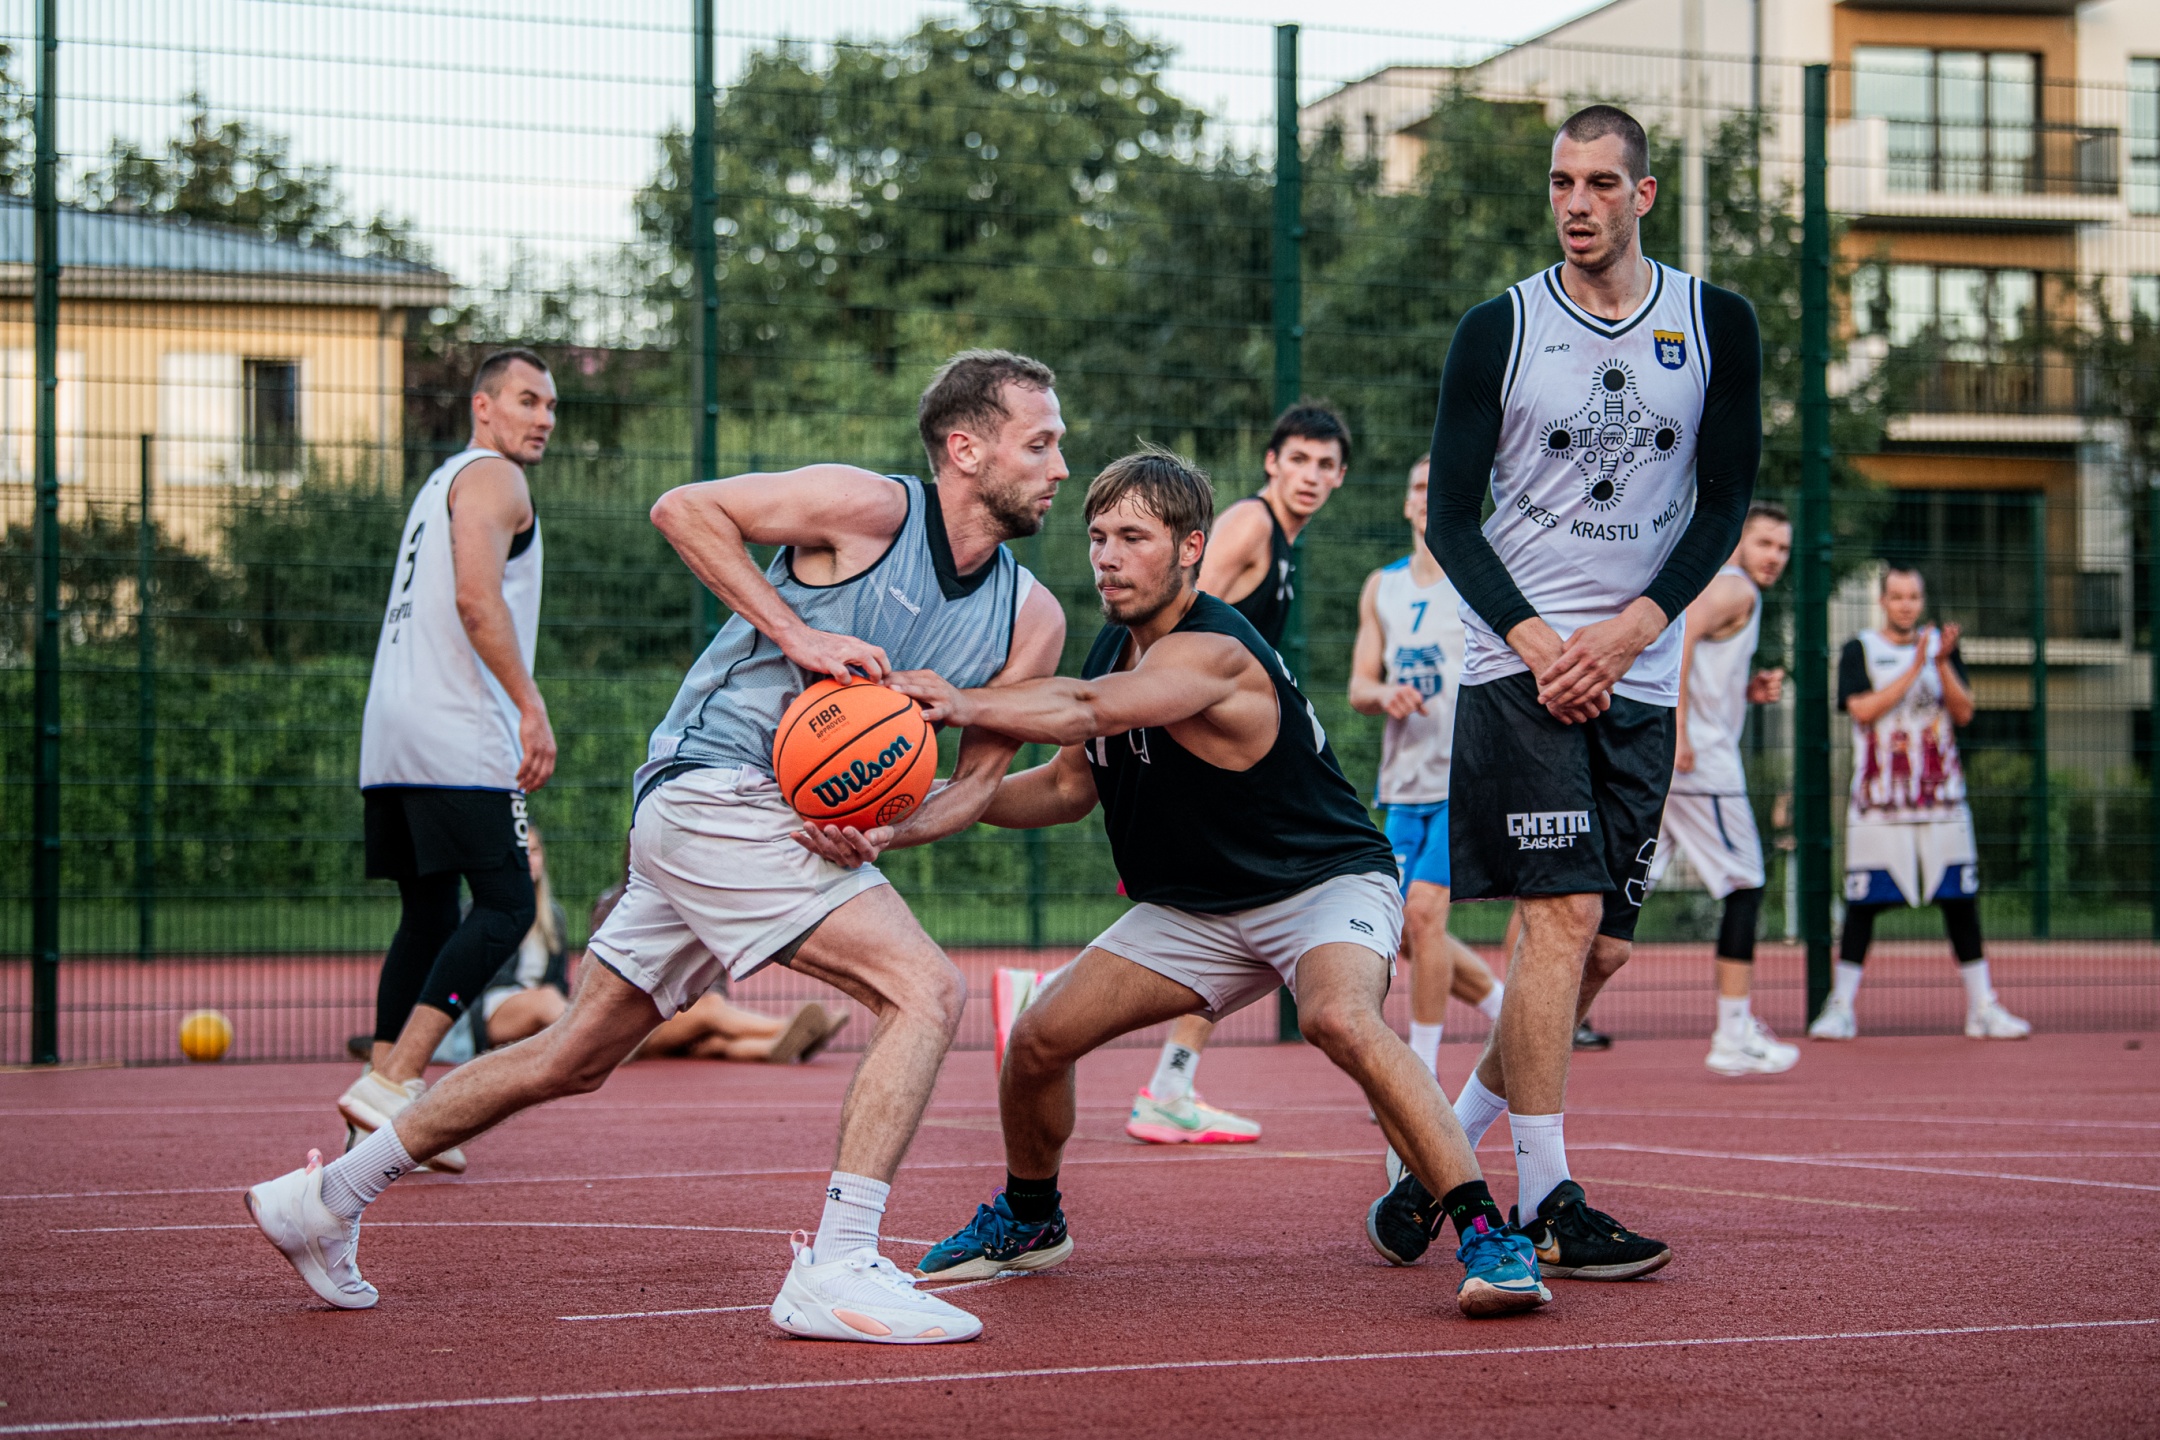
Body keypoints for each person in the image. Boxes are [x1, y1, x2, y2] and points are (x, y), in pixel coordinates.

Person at [246, 349, 1070, 1346]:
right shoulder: (868, 509)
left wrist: (887, 829)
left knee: (573, 1054)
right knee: (924, 990)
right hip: (713, 786)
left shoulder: (1032, 618)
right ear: (966, 448)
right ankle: (839, 1264)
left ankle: (326, 1198)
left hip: (761, 823)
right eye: (1040, 444)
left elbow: (975, 786)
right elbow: (684, 509)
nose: (1060, 467)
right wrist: (798, 636)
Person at [897, 449, 1550, 1320]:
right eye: (1097, 537)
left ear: (1191, 547)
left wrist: (958, 701)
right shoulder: (1115, 645)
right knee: (1040, 1038)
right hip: (1199, 909)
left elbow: (1086, 708)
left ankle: (1488, 1235)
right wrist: (912, 804)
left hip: (1322, 884)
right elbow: (1063, 787)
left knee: (1337, 1016)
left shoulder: (1216, 650)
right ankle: (1030, 1217)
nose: (1107, 557)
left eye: (1133, 537)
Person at [1423, 104, 1761, 1280]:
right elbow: (1452, 519)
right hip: (1518, 670)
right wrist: (1541, 642)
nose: (1577, 203)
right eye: (1563, 182)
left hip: (1640, 671)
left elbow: (1724, 503)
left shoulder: (1715, 323)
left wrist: (1628, 633)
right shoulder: (1498, 329)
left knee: (1601, 952)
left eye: (1602, 183)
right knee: (1558, 920)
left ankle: (1439, 1143)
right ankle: (1545, 1201)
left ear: (1643, 194)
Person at [340, 349, 559, 1176]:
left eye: (550, 406)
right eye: (527, 400)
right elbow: (476, 599)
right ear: (483, 406)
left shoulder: (440, 484)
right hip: (457, 729)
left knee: (429, 914)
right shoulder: (498, 478)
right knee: (507, 903)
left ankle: (378, 1108)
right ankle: (396, 1078)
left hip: (392, 731)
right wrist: (530, 706)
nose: (543, 418)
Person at [1124, 401, 1352, 1147]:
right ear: (1271, 463)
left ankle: (1171, 1083)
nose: (1310, 475)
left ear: (1340, 477)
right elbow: (1182, 613)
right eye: (1299, 459)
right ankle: (1056, 1009)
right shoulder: (1252, 523)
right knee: (1250, 908)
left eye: (1325, 465)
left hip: (1218, 743)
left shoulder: (1284, 543)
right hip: (1191, 742)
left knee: (1237, 911)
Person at [1809, 567, 2030, 1041]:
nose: (1906, 604)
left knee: (1960, 903)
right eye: (1897, 596)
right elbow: (1862, 709)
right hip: (1879, 805)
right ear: (1883, 601)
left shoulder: (1941, 652)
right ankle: (1841, 1007)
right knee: (1863, 905)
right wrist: (1914, 668)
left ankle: (1982, 1007)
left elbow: (1964, 712)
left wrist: (1942, 662)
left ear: (1922, 600)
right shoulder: (1860, 649)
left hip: (1942, 802)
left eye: (1913, 596)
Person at [1346, 454, 1507, 1090]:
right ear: (1409, 502)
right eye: (1418, 486)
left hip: (1464, 779)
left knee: (1423, 912)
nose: (1427, 494)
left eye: (1439, 484)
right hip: (1404, 780)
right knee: (1407, 927)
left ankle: (1423, 1070)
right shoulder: (1381, 586)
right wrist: (1384, 693)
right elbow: (1360, 684)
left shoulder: (1481, 581)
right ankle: (1502, 1006)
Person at [1646, 501, 1798, 1075]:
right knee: (1746, 883)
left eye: (1782, 548)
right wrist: (1680, 729)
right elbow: (1681, 637)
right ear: (1738, 541)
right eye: (1764, 543)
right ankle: (1732, 1035)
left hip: (1685, 760)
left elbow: (1701, 656)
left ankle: (1543, 1009)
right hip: (1701, 765)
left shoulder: (1731, 588)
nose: (1774, 557)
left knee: (1620, 893)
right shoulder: (1737, 588)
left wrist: (1744, 690)